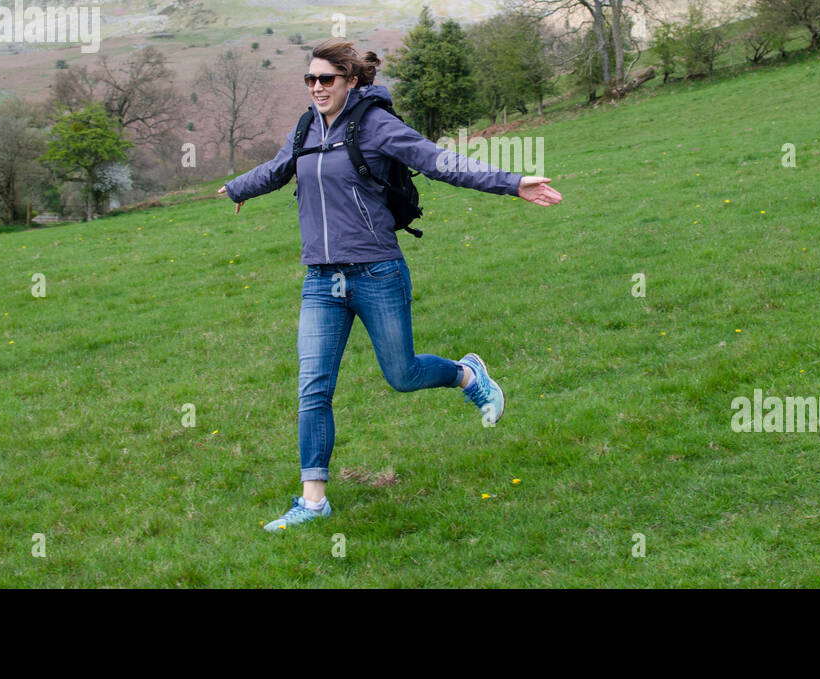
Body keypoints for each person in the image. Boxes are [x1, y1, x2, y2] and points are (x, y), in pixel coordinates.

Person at [217, 39, 562, 532]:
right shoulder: (305, 128)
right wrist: (238, 187)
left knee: (401, 374)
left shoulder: (376, 125)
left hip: (376, 271)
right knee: (313, 387)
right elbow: (279, 168)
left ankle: (468, 376)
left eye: (326, 80)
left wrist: (512, 182)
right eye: (310, 80)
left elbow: (440, 161)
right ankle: (313, 501)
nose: (316, 88)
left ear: (351, 81)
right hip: (321, 279)